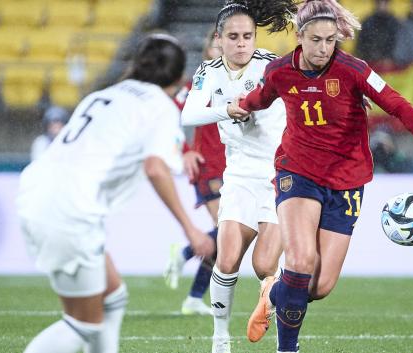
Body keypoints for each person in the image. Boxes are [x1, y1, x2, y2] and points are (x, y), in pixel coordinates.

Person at [227, 1, 413, 352]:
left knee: (319, 286)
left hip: (347, 179)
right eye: (316, 40)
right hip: (298, 172)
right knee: (301, 259)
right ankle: (287, 348)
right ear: (299, 37)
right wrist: (243, 105)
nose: (324, 48)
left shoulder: (353, 69)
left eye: (330, 40)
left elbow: (394, 100)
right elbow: (262, 97)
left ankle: (273, 292)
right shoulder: (281, 71)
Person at [16, 34, 215, 353]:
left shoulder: (105, 94)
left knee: (113, 297)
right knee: (81, 325)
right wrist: (191, 229)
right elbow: (155, 168)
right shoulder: (159, 106)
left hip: (37, 190)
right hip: (70, 207)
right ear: (179, 78)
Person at [181, 1, 296, 351]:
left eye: (248, 36)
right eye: (233, 36)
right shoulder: (209, 71)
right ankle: (220, 338)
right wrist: (226, 110)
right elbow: (189, 115)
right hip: (240, 176)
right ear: (219, 39)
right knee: (227, 258)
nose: (242, 43)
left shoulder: (272, 67)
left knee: (264, 265)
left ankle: (272, 303)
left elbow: (309, 88)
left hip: (280, 176)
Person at [163, 28, 225, 316]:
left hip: (236, 167)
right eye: (216, 44)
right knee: (227, 231)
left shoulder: (245, 82)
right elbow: (168, 114)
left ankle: (193, 298)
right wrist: (184, 148)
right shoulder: (201, 82)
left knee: (229, 238)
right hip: (209, 167)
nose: (222, 48)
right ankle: (186, 254)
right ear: (208, 50)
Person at [355, 0, 400, 70]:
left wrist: (391, 58)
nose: (382, 6)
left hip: (390, 65)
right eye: (380, 3)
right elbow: (361, 45)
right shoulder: (367, 22)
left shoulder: (395, 23)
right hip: (371, 63)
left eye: (384, 3)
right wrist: (371, 57)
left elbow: (399, 43)